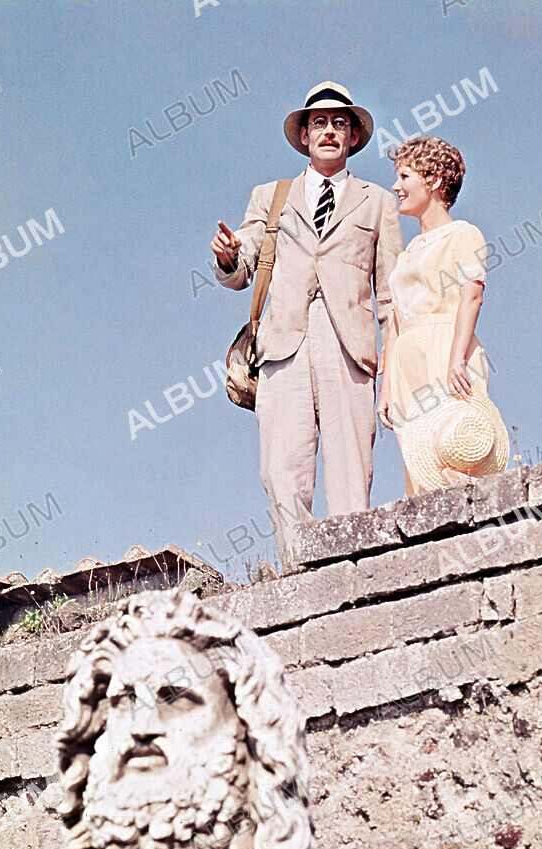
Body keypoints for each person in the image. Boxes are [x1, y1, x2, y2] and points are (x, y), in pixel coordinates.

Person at [211, 82, 403, 569]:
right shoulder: (271, 197)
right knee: (281, 471)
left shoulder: (378, 202)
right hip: (283, 345)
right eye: (319, 121)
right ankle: (300, 575)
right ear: (303, 134)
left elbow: (391, 297)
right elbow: (244, 263)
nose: (330, 131)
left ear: (354, 137)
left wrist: (395, 371)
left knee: (350, 472)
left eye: (341, 122)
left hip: (350, 349)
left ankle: (354, 574)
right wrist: (231, 257)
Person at [377, 136, 505, 494]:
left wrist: (455, 360)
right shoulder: (409, 252)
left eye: (405, 176)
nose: (396, 186)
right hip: (408, 362)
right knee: (420, 472)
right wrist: (386, 386)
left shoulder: (463, 234)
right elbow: (397, 320)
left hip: (446, 349)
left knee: (452, 449)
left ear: (432, 180)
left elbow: (472, 296)